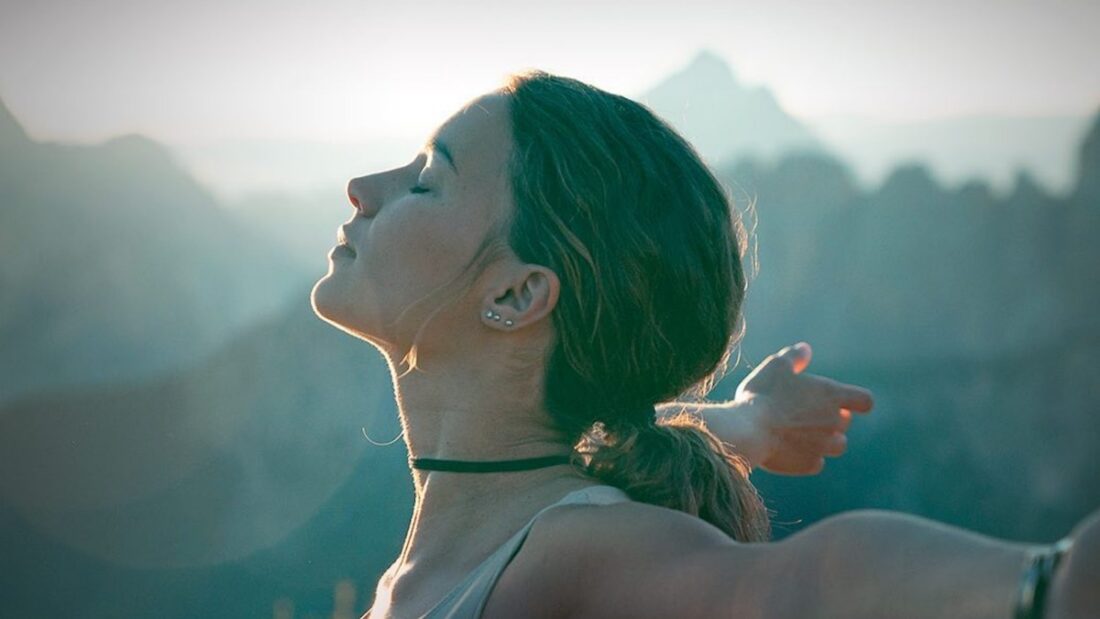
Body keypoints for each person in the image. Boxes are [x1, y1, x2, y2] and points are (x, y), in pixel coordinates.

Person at [311, 71, 1099, 618]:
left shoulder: (575, 556)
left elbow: (806, 586)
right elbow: (637, 444)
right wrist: (748, 420)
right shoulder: (480, 541)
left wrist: (1051, 589)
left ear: (516, 295)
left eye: (425, 182)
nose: (364, 187)